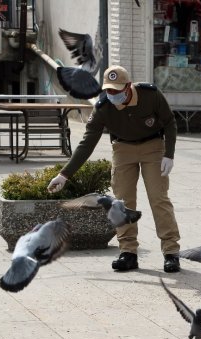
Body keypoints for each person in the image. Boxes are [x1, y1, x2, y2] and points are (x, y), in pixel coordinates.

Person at [47, 65, 181, 273]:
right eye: (108, 90)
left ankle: (171, 252)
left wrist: (168, 154)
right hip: (122, 149)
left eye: (116, 91)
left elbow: (170, 122)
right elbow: (87, 143)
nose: (112, 94)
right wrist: (64, 175)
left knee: (158, 199)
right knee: (121, 203)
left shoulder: (150, 95)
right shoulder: (103, 107)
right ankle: (128, 252)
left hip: (153, 147)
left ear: (128, 87)